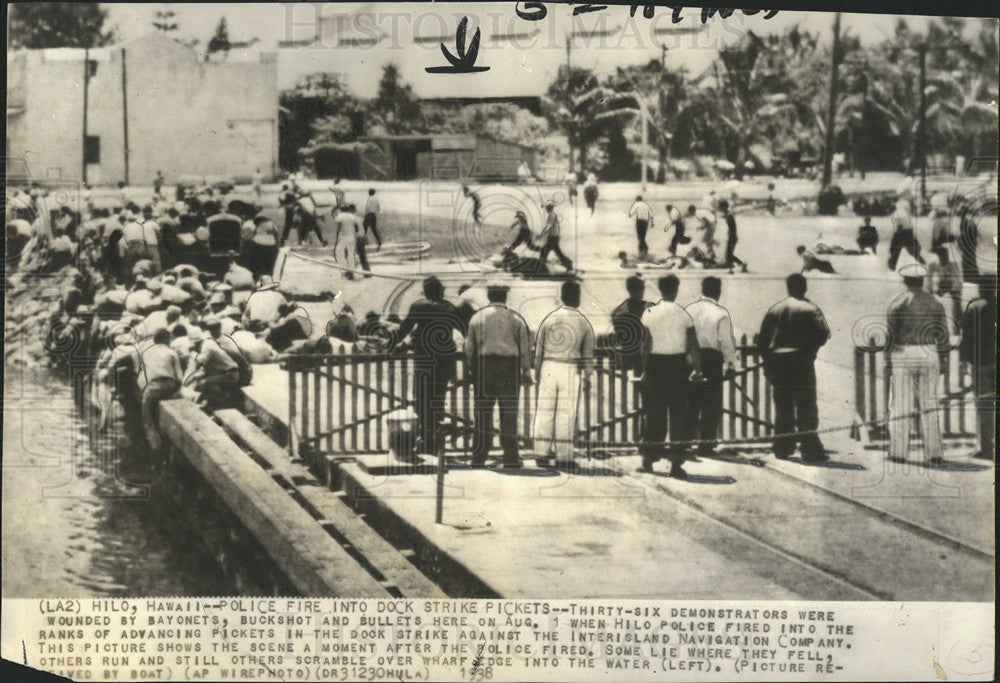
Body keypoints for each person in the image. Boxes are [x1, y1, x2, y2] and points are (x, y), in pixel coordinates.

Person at [757, 273, 831, 462]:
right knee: (806, 406)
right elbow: (824, 333)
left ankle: (782, 447)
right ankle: (810, 449)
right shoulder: (811, 308)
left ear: (788, 287)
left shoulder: (775, 309)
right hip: (801, 361)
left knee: (783, 407)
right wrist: (810, 350)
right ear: (804, 287)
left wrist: (768, 362)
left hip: (779, 362)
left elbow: (763, 339)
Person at [638, 275, 703, 478]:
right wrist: (698, 369)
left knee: (655, 415)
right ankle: (676, 464)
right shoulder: (683, 314)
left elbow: (645, 346)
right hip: (677, 367)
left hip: (656, 366)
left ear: (660, 289)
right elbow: (693, 345)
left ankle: (649, 460)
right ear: (676, 290)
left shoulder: (649, 312)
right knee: (678, 417)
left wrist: (644, 370)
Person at [886, 263, 950, 463]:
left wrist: (887, 360)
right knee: (929, 404)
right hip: (929, 352)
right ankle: (934, 453)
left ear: (905, 281)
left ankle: (898, 452)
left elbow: (891, 336)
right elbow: (944, 336)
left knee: (901, 405)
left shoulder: (897, 302)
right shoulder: (936, 303)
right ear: (922, 281)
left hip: (904, 352)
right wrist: (945, 360)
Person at [464, 283, 532, 468]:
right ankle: (510, 457)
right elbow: (524, 348)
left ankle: (478, 458)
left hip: (485, 368)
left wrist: (470, 369)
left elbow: (469, 347)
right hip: (509, 368)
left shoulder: (477, 317)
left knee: (482, 413)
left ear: (488, 296)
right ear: (505, 296)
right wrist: (526, 371)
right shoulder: (516, 318)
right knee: (509, 413)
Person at [393, 276, 461, 456]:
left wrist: (393, 346)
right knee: (437, 402)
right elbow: (463, 329)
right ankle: (434, 441)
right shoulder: (449, 308)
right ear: (439, 291)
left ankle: (425, 439)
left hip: (424, 360)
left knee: (422, 401)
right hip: (444, 361)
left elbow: (405, 329)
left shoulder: (419, 306)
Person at [532, 280, 595, 468]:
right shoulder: (583, 321)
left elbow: (539, 349)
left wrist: (537, 371)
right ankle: (564, 458)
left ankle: (541, 454)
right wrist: (588, 375)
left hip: (548, 367)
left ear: (562, 296)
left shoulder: (550, 318)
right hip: (570, 368)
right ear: (577, 297)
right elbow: (588, 354)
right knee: (566, 415)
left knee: (545, 412)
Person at [685, 276, 738, 456]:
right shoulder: (720, 313)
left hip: (691, 356)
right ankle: (706, 445)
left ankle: (685, 442)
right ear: (718, 291)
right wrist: (730, 365)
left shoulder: (689, 310)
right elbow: (726, 343)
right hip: (711, 359)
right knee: (711, 403)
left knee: (691, 401)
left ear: (702, 290)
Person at [959, 280, 997, 460]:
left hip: (981, 364)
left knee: (984, 408)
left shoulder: (974, 307)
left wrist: (963, 361)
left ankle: (988, 448)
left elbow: (966, 337)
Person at [139, 328, 182, 451]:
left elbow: (144, 375)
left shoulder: (146, 352)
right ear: (165, 339)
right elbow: (179, 378)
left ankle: (156, 448)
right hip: (170, 386)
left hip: (153, 387)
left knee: (148, 420)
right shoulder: (171, 352)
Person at [610, 275, 654, 375]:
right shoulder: (649, 307)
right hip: (645, 357)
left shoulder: (617, 310)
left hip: (625, 357)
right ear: (641, 290)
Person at [887, 200, 925, 271]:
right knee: (912, 249)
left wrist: (896, 236)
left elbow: (898, 227)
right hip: (909, 231)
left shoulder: (897, 213)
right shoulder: (905, 212)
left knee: (897, 249)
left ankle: (893, 263)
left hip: (902, 233)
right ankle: (922, 261)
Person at [537, 200, 573, 272]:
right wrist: (541, 234)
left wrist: (541, 235)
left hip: (552, 238)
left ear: (549, 208)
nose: (546, 209)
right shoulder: (553, 215)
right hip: (554, 237)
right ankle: (568, 264)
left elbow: (548, 227)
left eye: (547, 208)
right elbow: (550, 226)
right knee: (557, 252)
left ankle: (541, 269)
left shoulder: (551, 215)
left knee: (544, 252)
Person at [333, 203, 369, 276]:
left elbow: (338, 228)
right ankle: (351, 271)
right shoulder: (353, 216)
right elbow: (357, 227)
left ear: (342, 210)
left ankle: (344, 269)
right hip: (352, 237)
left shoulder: (340, 216)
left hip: (343, 238)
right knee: (351, 254)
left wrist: (336, 238)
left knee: (339, 253)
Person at [718, 200, 744, 270]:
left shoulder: (729, 216)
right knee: (728, 253)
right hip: (732, 237)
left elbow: (732, 229)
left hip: (732, 237)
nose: (719, 209)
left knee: (729, 254)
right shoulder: (728, 215)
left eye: (720, 208)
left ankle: (741, 264)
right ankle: (730, 264)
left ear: (723, 207)